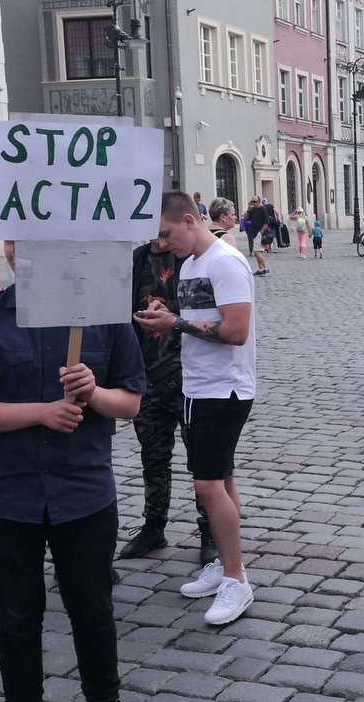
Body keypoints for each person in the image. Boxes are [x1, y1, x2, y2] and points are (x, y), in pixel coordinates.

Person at [0, 252, 147, 702]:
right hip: (7, 496)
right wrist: (41, 412)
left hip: (84, 491)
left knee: (93, 608)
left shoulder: (105, 317)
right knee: (16, 616)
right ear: (12, 252)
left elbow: (130, 403)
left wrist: (92, 392)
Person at [134, 191, 257, 627]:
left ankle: (236, 579)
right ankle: (227, 564)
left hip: (224, 390)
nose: (164, 244)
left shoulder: (225, 261)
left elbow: (236, 330)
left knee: (207, 486)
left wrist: (177, 323)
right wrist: (166, 312)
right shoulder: (190, 265)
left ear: (189, 220)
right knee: (220, 478)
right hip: (197, 385)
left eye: (168, 233)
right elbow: (200, 316)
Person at [120, 223, 214, 564]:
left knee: (201, 460)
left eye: (164, 234)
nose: (160, 242)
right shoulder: (136, 261)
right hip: (145, 375)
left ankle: (210, 531)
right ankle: (153, 525)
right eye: (154, 234)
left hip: (189, 376)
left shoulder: (191, 262)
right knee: (153, 456)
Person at [246, 197, 269, 276]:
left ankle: (266, 269)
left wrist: (261, 232)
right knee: (256, 252)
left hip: (259, 233)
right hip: (253, 232)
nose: (253, 203)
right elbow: (246, 218)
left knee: (257, 251)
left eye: (255, 201)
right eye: (252, 201)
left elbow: (266, 222)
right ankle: (260, 269)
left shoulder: (263, 210)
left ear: (259, 202)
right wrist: (248, 210)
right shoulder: (253, 210)